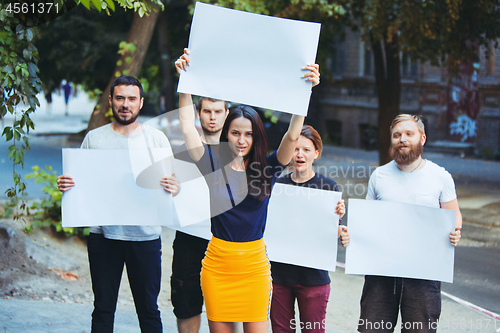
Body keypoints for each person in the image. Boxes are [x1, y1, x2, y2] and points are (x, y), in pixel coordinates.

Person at [175, 48, 320, 333]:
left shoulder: (268, 167)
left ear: (257, 136)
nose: (242, 140)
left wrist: (305, 92)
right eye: (235, 132)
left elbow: (292, 135)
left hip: (254, 268)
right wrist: (186, 83)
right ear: (226, 134)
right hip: (217, 266)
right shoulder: (211, 163)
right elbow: (187, 126)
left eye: (249, 133)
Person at [56, 75, 180, 333]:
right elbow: (82, 182)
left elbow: (173, 185)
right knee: (103, 308)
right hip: (103, 237)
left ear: (141, 103)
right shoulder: (94, 138)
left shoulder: (156, 140)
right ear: (111, 101)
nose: (126, 104)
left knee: (148, 310)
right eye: (120, 98)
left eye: (132, 99)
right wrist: (68, 185)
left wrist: (174, 187)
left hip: (145, 239)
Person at [357, 114, 462, 333]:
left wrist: (455, 232)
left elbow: (454, 217)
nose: (402, 139)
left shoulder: (440, 176)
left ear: (422, 138)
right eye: (397, 135)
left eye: (408, 134)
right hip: (381, 272)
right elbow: (368, 219)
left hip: (424, 273)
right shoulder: (379, 175)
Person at [269, 125, 350, 333]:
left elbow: (331, 231)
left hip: (314, 278)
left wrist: (340, 228)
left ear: (317, 153)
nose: (299, 154)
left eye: (306, 149)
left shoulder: (328, 188)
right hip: (280, 276)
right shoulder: (277, 186)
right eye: (295, 149)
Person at [171, 95, 229, 333]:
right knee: (186, 304)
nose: (212, 117)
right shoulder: (182, 153)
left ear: (227, 114)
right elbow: (164, 199)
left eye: (218, 111)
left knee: (227, 310)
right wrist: (170, 189)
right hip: (189, 240)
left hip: (226, 243)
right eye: (207, 111)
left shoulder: (241, 154)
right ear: (198, 113)